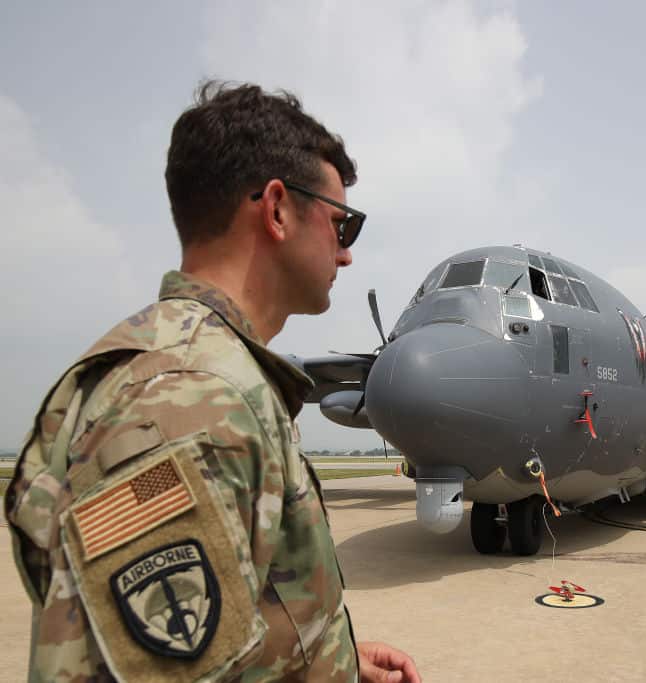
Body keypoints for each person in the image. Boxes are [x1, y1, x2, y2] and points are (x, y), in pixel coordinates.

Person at [5, 82, 420, 683]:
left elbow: (225, 629)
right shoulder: (191, 400)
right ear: (277, 209)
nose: (347, 253)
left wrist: (336, 663)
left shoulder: (210, 376)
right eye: (341, 225)